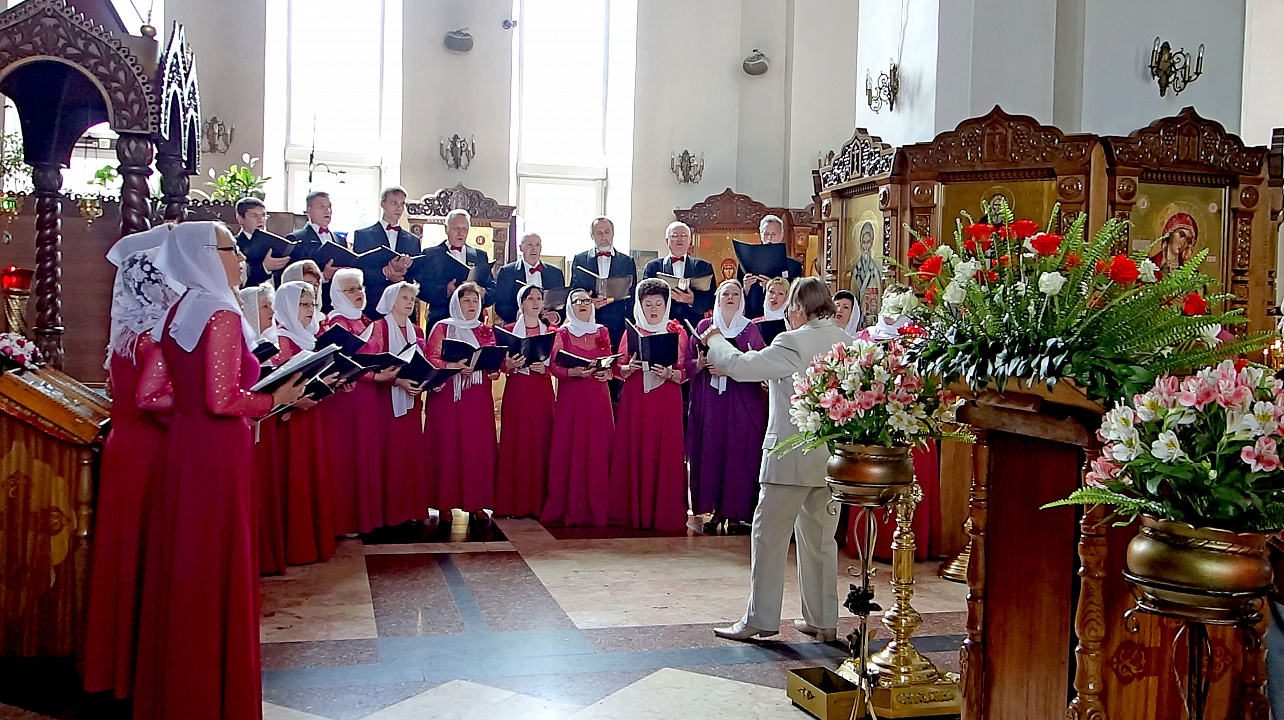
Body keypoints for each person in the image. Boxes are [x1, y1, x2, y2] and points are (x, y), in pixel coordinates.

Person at [135, 221, 305, 720]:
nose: (241, 258)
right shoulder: (223, 315)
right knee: (217, 561)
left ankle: (177, 688)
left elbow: (153, 397)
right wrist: (276, 397)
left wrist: (191, 410)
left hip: (185, 446)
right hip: (218, 452)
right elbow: (224, 398)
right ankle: (213, 695)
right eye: (232, 249)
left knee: (185, 560)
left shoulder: (175, 313)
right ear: (208, 255)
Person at [704, 276, 850, 642]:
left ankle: (761, 619)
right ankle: (823, 620)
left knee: (768, 537)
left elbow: (742, 366)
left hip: (789, 456)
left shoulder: (792, 340)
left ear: (798, 309)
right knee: (820, 541)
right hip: (831, 459)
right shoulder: (847, 341)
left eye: (790, 310)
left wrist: (715, 340)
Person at [84, 232, 180, 700]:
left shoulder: (124, 334)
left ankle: (115, 662)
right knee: (148, 551)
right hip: (152, 449)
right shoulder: (153, 340)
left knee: (124, 552)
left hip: (126, 447)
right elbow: (157, 401)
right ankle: (142, 664)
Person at [686, 279, 768, 534]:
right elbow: (688, 360)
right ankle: (713, 512)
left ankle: (736, 515)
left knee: (737, 455)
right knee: (711, 453)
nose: (730, 297)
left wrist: (730, 369)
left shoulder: (750, 330)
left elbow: (759, 363)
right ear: (717, 299)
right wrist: (699, 364)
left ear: (741, 300)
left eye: (735, 293)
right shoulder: (704, 327)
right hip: (711, 402)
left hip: (740, 402)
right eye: (725, 294)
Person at [608, 278, 688, 532]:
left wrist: (670, 374)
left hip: (666, 399)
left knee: (665, 452)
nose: (653, 309)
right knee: (634, 447)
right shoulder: (631, 331)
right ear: (639, 305)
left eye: (658, 303)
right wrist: (626, 368)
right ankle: (632, 511)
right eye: (648, 304)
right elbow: (617, 366)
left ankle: (663, 513)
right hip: (636, 398)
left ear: (667, 305)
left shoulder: (677, 331)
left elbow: (686, 369)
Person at [272, 280, 337, 566]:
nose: (311, 310)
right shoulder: (281, 338)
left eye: (313, 303)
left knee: (313, 473)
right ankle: (297, 544)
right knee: (296, 476)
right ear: (286, 306)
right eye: (303, 304)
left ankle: (316, 539)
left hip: (313, 413)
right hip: (291, 421)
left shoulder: (312, 339)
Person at [541, 288, 616, 526]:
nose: (582, 304)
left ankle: (598, 507)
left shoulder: (602, 330)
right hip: (571, 399)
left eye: (586, 300)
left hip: (598, 399)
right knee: (570, 448)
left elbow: (610, 361)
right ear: (569, 306)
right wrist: (571, 372)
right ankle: (570, 506)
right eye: (577, 301)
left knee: (598, 450)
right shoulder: (561, 333)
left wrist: (607, 372)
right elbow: (554, 366)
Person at [425, 281, 500, 513]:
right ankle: (445, 504)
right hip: (448, 394)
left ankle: (476, 502)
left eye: (475, 300)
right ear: (456, 303)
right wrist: (453, 366)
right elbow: (432, 358)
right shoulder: (442, 327)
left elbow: (493, 361)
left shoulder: (485, 329)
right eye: (466, 300)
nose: (471, 304)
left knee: (476, 447)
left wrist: (493, 368)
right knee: (448, 446)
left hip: (476, 397)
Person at [319, 268, 384, 534]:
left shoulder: (367, 321)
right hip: (343, 398)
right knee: (345, 455)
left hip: (367, 397)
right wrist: (371, 375)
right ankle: (343, 519)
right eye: (352, 289)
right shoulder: (331, 323)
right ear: (337, 293)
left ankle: (364, 517)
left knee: (365, 451)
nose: (359, 294)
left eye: (360, 288)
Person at [366, 281, 428, 526]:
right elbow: (372, 365)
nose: (409, 302)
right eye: (404, 297)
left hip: (411, 399)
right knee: (389, 453)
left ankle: (408, 508)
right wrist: (398, 381)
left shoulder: (417, 330)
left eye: (412, 298)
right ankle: (387, 511)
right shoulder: (379, 328)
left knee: (409, 454)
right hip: (386, 401)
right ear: (391, 300)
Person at [495, 284, 557, 517]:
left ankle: (539, 502)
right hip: (518, 390)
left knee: (541, 441)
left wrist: (546, 368)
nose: (535, 302)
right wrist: (507, 365)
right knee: (517, 442)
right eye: (529, 298)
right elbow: (499, 362)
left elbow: (558, 363)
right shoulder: (509, 330)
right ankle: (514, 502)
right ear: (521, 303)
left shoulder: (551, 330)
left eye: (539, 298)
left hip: (541, 390)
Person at [240, 283, 287, 575]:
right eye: (266, 306)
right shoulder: (240, 342)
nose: (272, 312)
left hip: (265, 422)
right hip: (245, 421)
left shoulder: (273, 340)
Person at [415, 208, 496, 329]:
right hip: (441, 320)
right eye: (456, 228)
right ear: (446, 229)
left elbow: (493, 289)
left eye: (464, 229)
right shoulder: (431, 254)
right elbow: (421, 289)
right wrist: (446, 291)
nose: (460, 233)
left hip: (472, 323)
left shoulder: (480, 256)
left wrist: (482, 293)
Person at [568, 216, 636, 350]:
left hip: (617, 321)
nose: (603, 236)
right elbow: (574, 290)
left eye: (607, 232)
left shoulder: (627, 261)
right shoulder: (580, 260)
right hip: (588, 320)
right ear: (592, 235)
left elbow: (632, 294)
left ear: (613, 233)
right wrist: (589, 301)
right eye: (599, 233)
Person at [351, 186, 418, 311]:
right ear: (383, 204)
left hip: (402, 306)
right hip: (373, 302)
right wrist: (384, 274)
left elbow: (416, 274)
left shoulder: (413, 240)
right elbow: (357, 272)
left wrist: (402, 274)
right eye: (394, 203)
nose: (399, 208)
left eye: (402, 204)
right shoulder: (363, 235)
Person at [642, 221, 714, 329]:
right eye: (675, 236)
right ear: (667, 240)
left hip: (693, 325)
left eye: (684, 236)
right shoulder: (653, 267)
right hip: (661, 325)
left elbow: (711, 299)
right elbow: (643, 297)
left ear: (690, 240)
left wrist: (692, 300)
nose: (679, 239)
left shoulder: (703, 267)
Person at [494, 232, 565, 325]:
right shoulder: (507, 272)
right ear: (521, 248)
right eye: (530, 245)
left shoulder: (556, 273)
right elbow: (501, 306)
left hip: (547, 328)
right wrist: (522, 317)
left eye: (537, 245)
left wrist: (557, 316)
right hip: (516, 328)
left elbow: (564, 304)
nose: (534, 249)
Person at [740, 214, 803, 318]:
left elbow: (796, 297)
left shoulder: (793, 266)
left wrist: (772, 287)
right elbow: (736, 292)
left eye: (774, 234)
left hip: (781, 318)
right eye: (766, 234)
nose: (769, 238)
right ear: (760, 235)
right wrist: (745, 288)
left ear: (781, 235)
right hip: (752, 316)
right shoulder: (746, 261)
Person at [234, 197, 290, 287]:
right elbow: (235, 276)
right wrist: (265, 267)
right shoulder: (234, 245)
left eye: (263, 215)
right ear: (240, 218)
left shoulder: (275, 242)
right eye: (255, 216)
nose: (260, 220)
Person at [851, 221, 883, 324]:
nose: (866, 246)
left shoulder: (875, 268)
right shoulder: (857, 267)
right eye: (863, 242)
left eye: (868, 242)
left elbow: (877, 288)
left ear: (872, 242)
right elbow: (853, 290)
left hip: (870, 309)